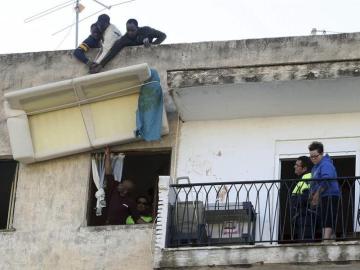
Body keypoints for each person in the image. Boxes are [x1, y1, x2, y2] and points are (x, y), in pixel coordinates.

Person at [90, 18, 166, 73]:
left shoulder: (146, 30)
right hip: (135, 65)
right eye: (128, 30)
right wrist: (100, 66)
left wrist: (152, 45)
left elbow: (163, 35)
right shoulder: (125, 38)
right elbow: (112, 52)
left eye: (132, 30)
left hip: (151, 63)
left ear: (137, 27)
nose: (130, 33)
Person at [308, 141, 340, 240]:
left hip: (330, 194)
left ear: (321, 153)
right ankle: (329, 238)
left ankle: (326, 240)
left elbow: (327, 179)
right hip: (323, 195)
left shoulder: (326, 164)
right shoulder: (315, 167)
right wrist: (312, 194)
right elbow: (315, 183)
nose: (313, 159)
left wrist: (317, 194)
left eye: (315, 156)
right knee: (323, 218)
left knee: (328, 217)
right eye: (311, 157)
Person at [104, 146, 145, 225]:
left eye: (122, 184)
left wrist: (153, 227)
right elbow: (108, 173)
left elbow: (137, 219)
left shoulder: (130, 202)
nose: (119, 184)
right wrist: (107, 155)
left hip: (118, 231)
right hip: (105, 226)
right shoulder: (114, 189)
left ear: (125, 191)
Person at [290, 156, 313, 240]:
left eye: (297, 165)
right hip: (302, 216)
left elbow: (306, 196)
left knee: (306, 243)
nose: (294, 166)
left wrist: (296, 206)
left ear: (304, 168)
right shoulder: (304, 178)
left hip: (305, 217)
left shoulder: (307, 177)